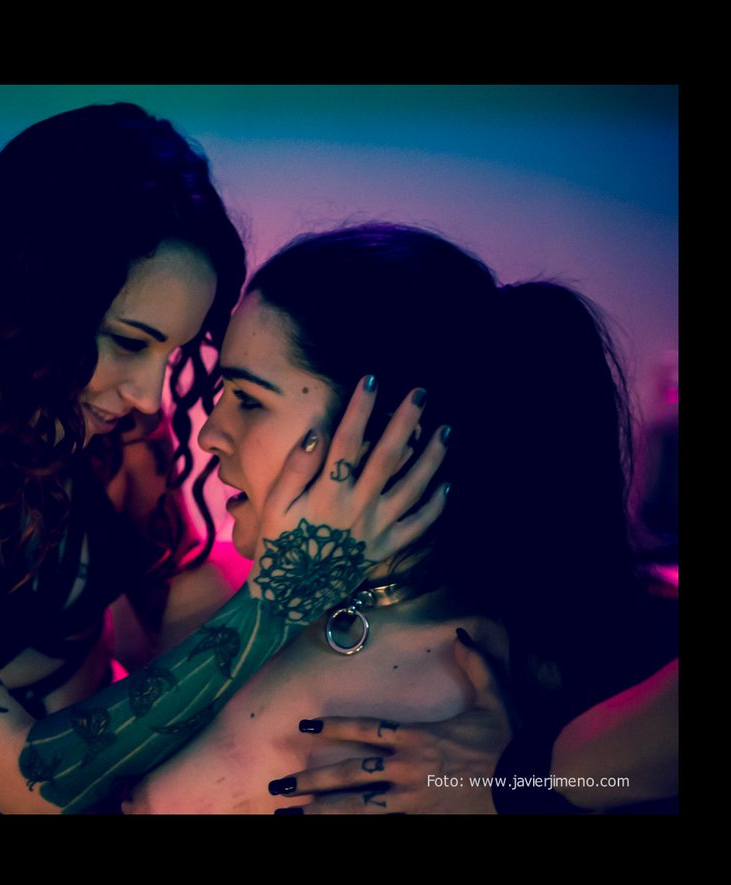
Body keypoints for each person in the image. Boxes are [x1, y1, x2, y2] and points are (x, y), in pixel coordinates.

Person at [0, 107, 448, 814]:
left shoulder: (105, 417)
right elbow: (25, 783)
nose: (148, 394)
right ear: (23, 298)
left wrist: (457, 742)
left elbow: (181, 606)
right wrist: (281, 593)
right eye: (129, 342)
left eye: (172, 352)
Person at [124, 224, 679, 814]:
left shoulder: (488, 684)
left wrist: (524, 782)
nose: (209, 434)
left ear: (386, 435)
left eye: (250, 400)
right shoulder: (213, 593)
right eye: (221, 393)